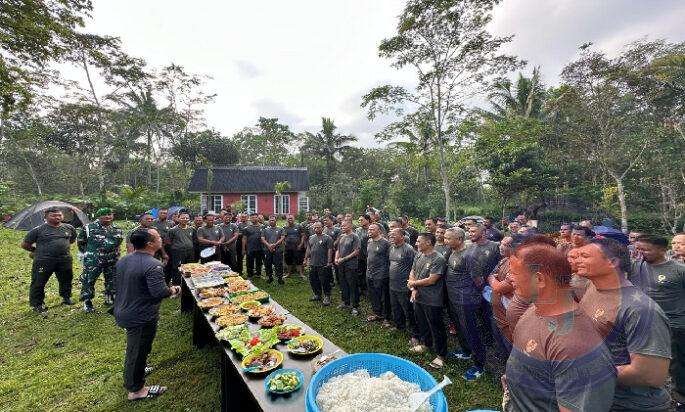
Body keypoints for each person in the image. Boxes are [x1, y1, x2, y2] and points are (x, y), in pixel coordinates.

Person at [504, 242, 616, 411]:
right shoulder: (534, 309)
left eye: (514, 273)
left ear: (539, 279)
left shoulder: (574, 345)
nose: (509, 278)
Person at [576, 239, 672, 411]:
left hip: (630, 404)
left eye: (585, 256)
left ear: (612, 262)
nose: (577, 260)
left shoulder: (639, 309)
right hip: (598, 397)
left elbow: (650, 374)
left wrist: (578, 373)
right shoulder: (592, 288)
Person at [113, 228, 180, 401]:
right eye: (158, 237)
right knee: (136, 351)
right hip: (140, 315)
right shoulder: (153, 264)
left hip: (125, 309)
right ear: (150, 244)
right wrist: (174, 289)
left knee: (139, 348)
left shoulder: (124, 259)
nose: (161, 239)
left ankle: (139, 369)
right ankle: (136, 390)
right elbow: (159, 292)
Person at [631, 234, 685, 408]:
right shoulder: (635, 267)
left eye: (645, 249)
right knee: (647, 360)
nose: (640, 253)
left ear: (662, 250)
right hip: (645, 324)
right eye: (638, 249)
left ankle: (681, 396)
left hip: (675, 325)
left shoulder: (678, 270)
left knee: (677, 363)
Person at [443, 227, 488, 380]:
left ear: (459, 239)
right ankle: (466, 351)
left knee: (470, 331)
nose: (445, 241)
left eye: (448, 238)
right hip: (453, 298)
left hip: (465, 300)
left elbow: (479, 280)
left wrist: (471, 294)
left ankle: (479, 365)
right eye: (445, 237)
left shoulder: (469, 256)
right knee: (460, 328)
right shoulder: (452, 251)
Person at [21, 207, 77, 312]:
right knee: (39, 282)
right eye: (53, 215)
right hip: (44, 260)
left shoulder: (69, 228)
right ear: (46, 217)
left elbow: (72, 239)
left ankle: (66, 298)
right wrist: (36, 250)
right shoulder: (38, 230)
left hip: (64, 259)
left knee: (66, 279)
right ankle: (37, 304)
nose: (57, 217)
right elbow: (25, 244)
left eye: (59, 215)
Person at [408, 232, 447, 369]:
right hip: (418, 296)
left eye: (419, 241)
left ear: (428, 242)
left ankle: (441, 355)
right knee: (422, 322)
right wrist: (413, 288)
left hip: (432, 299)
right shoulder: (419, 255)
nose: (416, 243)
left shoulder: (438, 259)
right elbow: (413, 271)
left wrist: (413, 284)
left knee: (436, 327)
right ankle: (426, 344)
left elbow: (432, 280)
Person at [78, 208, 124, 312]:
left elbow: (118, 244)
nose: (108, 216)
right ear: (99, 216)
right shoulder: (88, 227)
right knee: (89, 280)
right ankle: (87, 302)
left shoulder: (117, 229)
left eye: (110, 214)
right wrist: (88, 253)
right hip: (94, 260)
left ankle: (110, 299)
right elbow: (81, 241)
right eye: (104, 214)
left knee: (112, 280)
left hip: (112, 259)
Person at [487, 235, 517, 359]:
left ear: (514, 247)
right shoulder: (504, 260)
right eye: (501, 243)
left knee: (511, 343)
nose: (500, 247)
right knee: (499, 338)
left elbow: (499, 288)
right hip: (497, 311)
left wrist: (494, 281)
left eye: (505, 245)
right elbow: (491, 275)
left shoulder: (517, 265)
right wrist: (494, 280)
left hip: (508, 315)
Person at [388, 227, 418, 340]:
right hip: (393, 285)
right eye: (390, 235)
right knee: (395, 308)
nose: (391, 236)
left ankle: (414, 334)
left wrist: (413, 285)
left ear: (402, 237)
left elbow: (414, 267)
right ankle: (399, 326)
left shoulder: (408, 249)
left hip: (404, 287)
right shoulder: (391, 248)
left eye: (394, 235)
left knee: (408, 311)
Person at [366, 223, 392, 326]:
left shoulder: (385, 243)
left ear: (379, 231)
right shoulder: (369, 241)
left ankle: (386, 317)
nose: (369, 231)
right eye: (369, 229)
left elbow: (390, 259)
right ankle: (377, 313)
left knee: (384, 297)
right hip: (369, 274)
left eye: (372, 229)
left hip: (381, 275)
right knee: (373, 295)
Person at [334, 220, 361, 314]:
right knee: (343, 284)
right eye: (341, 226)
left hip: (351, 265)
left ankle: (355, 306)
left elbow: (356, 252)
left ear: (350, 226)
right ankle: (345, 302)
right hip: (341, 265)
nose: (342, 227)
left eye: (344, 226)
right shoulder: (341, 236)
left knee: (352, 285)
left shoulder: (355, 237)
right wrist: (336, 258)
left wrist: (344, 259)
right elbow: (338, 249)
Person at [304, 222, 333, 305]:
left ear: (322, 228)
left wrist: (329, 261)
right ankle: (317, 294)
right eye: (315, 228)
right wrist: (305, 259)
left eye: (318, 227)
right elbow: (308, 249)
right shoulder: (311, 237)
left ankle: (327, 296)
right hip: (313, 263)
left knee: (325, 281)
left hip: (323, 263)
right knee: (313, 280)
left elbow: (330, 250)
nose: (316, 229)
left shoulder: (328, 238)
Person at [167, 212, 195, 285]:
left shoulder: (192, 229)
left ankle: (188, 285)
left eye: (187, 218)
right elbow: (169, 242)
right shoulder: (173, 230)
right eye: (182, 218)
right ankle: (177, 285)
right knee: (177, 269)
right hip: (178, 252)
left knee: (189, 268)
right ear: (178, 218)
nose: (185, 219)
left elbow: (193, 240)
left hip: (190, 252)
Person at [261, 215, 285, 284]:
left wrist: (274, 245)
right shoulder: (265, 230)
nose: (272, 221)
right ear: (268, 221)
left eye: (273, 220)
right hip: (267, 249)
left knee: (279, 264)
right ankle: (269, 277)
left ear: (276, 221)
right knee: (268, 264)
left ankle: (280, 278)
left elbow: (282, 238)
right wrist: (269, 246)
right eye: (270, 220)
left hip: (278, 250)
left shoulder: (281, 229)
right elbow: (262, 239)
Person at [152, 208, 173, 280]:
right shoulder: (153, 222)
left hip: (166, 246)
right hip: (155, 246)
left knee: (168, 264)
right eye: (161, 213)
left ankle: (166, 280)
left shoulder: (171, 223)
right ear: (158, 214)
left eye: (165, 213)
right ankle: (155, 279)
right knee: (155, 264)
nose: (163, 214)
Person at [283, 214, 305, 279]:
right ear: (287, 220)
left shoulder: (299, 226)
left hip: (297, 247)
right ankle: (288, 274)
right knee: (288, 261)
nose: (290, 219)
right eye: (288, 218)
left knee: (299, 260)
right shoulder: (285, 227)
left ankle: (301, 274)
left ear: (294, 219)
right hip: (288, 247)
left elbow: (303, 236)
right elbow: (283, 237)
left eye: (291, 218)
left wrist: (301, 244)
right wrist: (284, 243)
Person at [242, 213, 264, 279]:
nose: (254, 219)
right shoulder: (246, 228)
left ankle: (258, 274)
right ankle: (250, 275)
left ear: (258, 218)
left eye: (255, 217)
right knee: (249, 262)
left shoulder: (262, 227)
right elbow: (244, 239)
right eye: (252, 217)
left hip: (260, 248)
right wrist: (243, 249)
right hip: (250, 248)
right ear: (250, 219)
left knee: (259, 262)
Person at [355, 215, 371, 295]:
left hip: (370, 255)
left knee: (368, 272)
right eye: (359, 220)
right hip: (360, 255)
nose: (360, 222)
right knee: (360, 272)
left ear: (368, 220)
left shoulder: (372, 229)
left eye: (362, 220)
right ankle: (361, 288)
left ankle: (368, 289)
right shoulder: (358, 230)